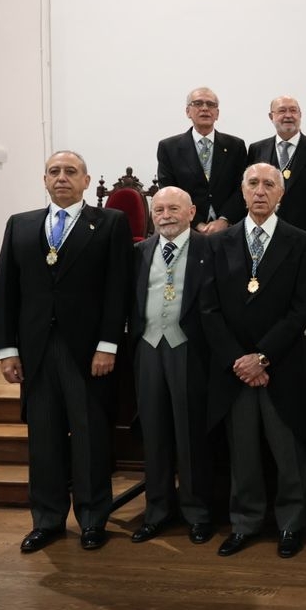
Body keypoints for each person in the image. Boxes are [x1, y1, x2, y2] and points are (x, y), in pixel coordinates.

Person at [0, 151, 132, 553]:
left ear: (86, 181)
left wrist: (108, 344)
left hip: (88, 351)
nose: (62, 178)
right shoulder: (20, 225)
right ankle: (47, 519)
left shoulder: (110, 223)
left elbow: (118, 288)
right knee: (44, 438)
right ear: (44, 180)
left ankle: (92, 518)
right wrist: (7, 349)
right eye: (54, 171)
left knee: (89, 436)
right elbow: (6, 291)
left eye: (71, 172)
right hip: (35, 351)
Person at [202, 163, 306, 558]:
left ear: (281, 194)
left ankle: (291, 524)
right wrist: (240, 360)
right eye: (253, 183)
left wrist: (263, 357)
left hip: (280, 365)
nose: (260, 191)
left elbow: (300, 310)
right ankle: (245, 523)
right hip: (235, 369)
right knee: (243, 451)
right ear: (242, 190)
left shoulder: (301, 242)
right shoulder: (218, 243)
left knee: (288, 451)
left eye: (270, 184)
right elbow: (209, 309)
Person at [127, 186, 215, 546]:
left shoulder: (211, 248)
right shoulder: (139, 252)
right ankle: (157, 511)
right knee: (154, 432)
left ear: (191, 212)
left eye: (174, 209)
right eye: (159, 209)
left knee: (190, 434)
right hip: (148, 348)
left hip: (190, 350)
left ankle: (197, 512)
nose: (166, 215)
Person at [246, 95, 306, 263]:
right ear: (271, 116)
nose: (288, 115)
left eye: (293, 111)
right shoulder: (257, 149)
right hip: (265, 236)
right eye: (282, 111)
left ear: (300, 115)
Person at [157, 87, 248, 234]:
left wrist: (224, 220)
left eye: (211, 104)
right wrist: (197, 223)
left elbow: (242, 187)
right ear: (188, 111)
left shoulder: (235, 146)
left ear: (217, 113)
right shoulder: (169, 147)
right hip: (186, 228)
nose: (205, 108)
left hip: (229, 229)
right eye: (198, 103)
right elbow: (169, 190)